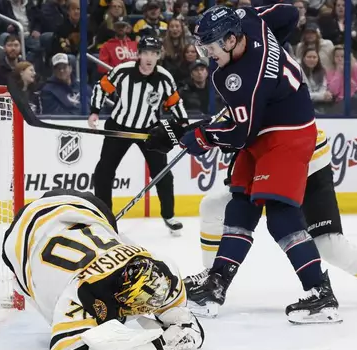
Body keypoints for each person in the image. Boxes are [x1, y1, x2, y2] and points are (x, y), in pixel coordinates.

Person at [146, 4, 341, 324]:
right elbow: (290, 14)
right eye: (203, 46)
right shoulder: (248, 19)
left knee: (280, 215)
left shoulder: (243, 78)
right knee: (241, 205)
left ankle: (321, 292)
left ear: (233, 39)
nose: (208, 54)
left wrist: (188, 136)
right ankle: (216, 285)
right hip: (264, 125)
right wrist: (274, 57)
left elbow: (238, 133)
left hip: (287, 134)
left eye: (211, 47)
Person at [186, 119, 357, 317]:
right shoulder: (235, 74)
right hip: (267, 153)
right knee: (213, 206)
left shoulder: (263, 73)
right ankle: (212, 278)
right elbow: (240, 123)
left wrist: (210, 134)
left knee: (329, 246)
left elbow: (251, 120)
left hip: (305, 157)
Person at [1, 189, 203, 350]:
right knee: (37, 290)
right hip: (22, 237)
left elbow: (189, 326)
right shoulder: (83, 293)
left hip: (83, 205)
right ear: (120, 296)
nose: (149, 309)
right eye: (141, 304)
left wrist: (163, 341)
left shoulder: (164, 271)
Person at [89, 36, 188, 236]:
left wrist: (184, 124)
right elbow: (102, 88)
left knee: (163, 174)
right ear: (139, 54)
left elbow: (174, 102)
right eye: (146, 53)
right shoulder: (123, 71)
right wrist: (94, 111)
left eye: (154, 53)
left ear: (159, 55)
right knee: (103, 172)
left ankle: (169, 216)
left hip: (150, 132)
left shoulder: (164, 77)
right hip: (119, 128)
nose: (150, 57)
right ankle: (103, 215)